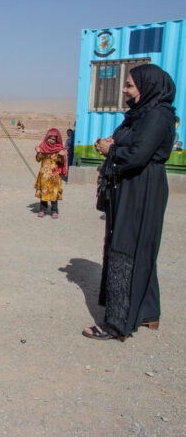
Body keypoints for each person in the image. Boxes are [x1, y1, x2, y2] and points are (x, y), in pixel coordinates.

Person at [83, 64, 176, 341]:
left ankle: (117, 324)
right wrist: (112, 144)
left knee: (126, 247)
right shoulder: (140, 114)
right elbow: (129, 144)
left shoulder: (157, 116)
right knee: (139, 248)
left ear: (148, 87)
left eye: (130, 86)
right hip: (133, 184)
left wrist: (112, 149)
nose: (124, 90)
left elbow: (137, 154)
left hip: (141, 186)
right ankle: (148, 312)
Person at [34, 128, 67, 219]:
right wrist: (38, 153)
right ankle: (42, 210)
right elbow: (38, 160)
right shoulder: (42, 147)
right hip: (44, 175)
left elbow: (61, 161)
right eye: (50, 138)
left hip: (54, 176)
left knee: (54, 193)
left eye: (54, 139)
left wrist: (61, 155)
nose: (52, 141)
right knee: (44, 193)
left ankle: (54, 210)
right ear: (47, 138)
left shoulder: (58, 149)